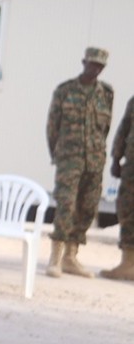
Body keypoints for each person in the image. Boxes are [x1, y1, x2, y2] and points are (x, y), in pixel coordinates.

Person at [45, 46, 113, 278]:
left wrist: (98, 152)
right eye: (92, 64)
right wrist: (58, 154)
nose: (95, 69)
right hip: (69, 159)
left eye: (100, 66)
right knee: (66, 205)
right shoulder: (65, 91)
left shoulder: (106, 93)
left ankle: (70, 257)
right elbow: (52, 127)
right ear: (84, 62)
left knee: (88, 206)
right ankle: (55, 258)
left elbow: (104, 129)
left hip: (94, 160)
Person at [101, 94, 134, 280]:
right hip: (132, 168)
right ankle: (128, 264)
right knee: (128, 210)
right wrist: (116, 158)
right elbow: (124, 129)